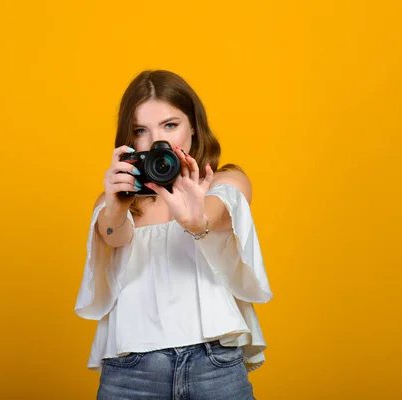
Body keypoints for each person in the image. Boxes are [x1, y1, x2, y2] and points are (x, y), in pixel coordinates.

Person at [75, 70, 273, 399]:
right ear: (130, 139)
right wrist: (116, 205)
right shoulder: (117, 204)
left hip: (214, 364)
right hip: (131, 371)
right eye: (141, 130)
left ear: (193, 125)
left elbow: (214, 215)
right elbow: (113, 236)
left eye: (170, 125)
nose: (157, 141)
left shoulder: (225, 182)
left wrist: (195, 221)